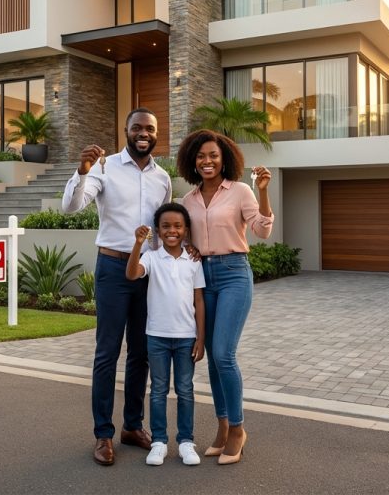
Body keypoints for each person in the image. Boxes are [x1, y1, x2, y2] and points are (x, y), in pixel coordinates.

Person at [61, 108, 172, 466]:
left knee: (141, 353)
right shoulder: (104, 167)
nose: (143, 133)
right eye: (137, 127)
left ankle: (132, 427)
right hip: (111, 266)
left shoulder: (162, 178)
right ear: (125, 131)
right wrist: (81, 171)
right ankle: (103, 434)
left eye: (150, 128)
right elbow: (72, 207)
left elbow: (164, 226)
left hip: (145, 271)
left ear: (157, 134)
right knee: (107, 352)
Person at [177, 129, 273, 465]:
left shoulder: (241, 191)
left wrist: (263, 193)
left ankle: (237, 429)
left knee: (223, 353)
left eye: (213, 156)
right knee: (213, 360)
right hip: (204, 278)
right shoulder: (187, 201)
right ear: (193, 161)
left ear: (224, 159)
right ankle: (221, 427)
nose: (207, 161)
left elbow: (262, 231)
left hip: (234, 273)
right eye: (201, 156)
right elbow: (185, 239)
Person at [126, 203, 206, 467]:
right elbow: (131, 273)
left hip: (186, 337)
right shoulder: (151, 256)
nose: (172, 230)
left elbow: (199, 301)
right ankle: (159, 442)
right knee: (158, 389)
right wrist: (138, 244)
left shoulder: (193, 260)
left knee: (185, 389)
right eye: (166, 226)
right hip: (157, 336)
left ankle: (186, 442)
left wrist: (201, 338)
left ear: (185, 230)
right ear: (158, 231)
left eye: (178, 226)